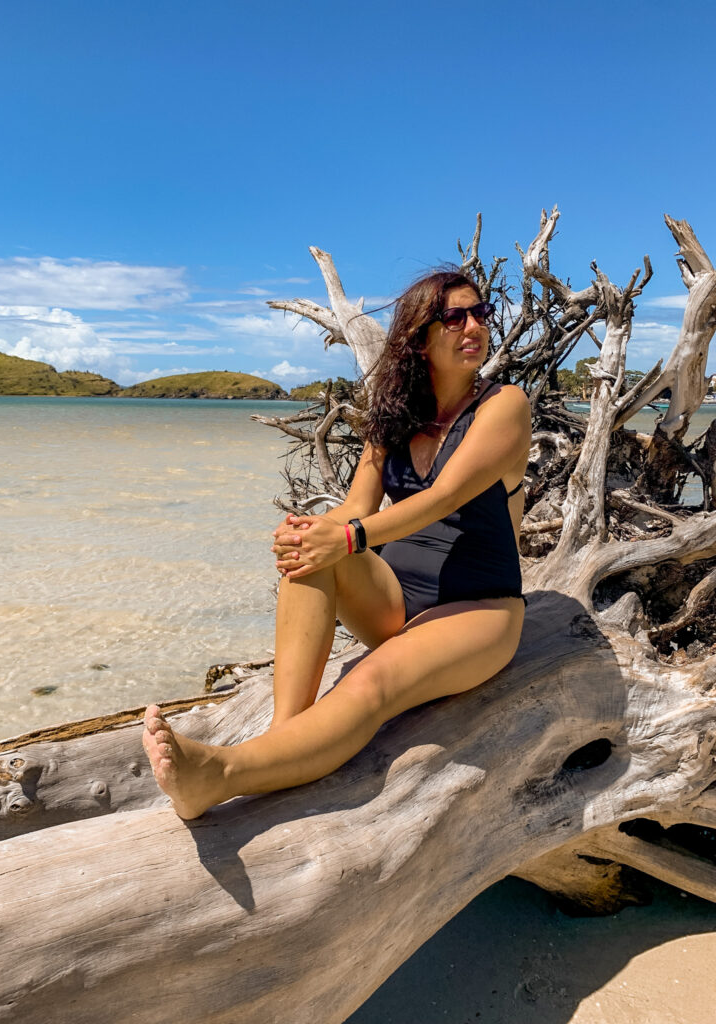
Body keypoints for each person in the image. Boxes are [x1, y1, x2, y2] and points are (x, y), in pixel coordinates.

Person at [142, 269, 531, 819]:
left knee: (373, 684)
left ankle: (218, 775)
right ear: (420, 336)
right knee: (306, 552)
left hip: (480, 609)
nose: (473, 326)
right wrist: (311, 530)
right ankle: (285, 737)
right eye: (454, 317)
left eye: (480, 314)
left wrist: (346, 537)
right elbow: (356, 508)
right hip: (395, 601)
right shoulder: (395, 413)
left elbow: (444, 496)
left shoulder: (504, 405)